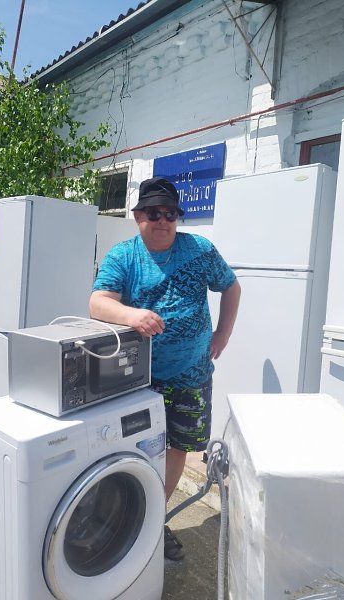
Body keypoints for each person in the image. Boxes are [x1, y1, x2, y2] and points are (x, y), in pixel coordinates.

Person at [89, 176, 241, 560]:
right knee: (133, 447)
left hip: (193, 374)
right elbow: (98, 303)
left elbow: (231, 286)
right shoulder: (124, 256)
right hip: (140, 378)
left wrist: (222, 334)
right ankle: (124, 516)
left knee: (178, 447)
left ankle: (154, 518)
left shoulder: (200, 249)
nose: (163, 221)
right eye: (154, 213)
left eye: (170, 214)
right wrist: (131, 315)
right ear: (138, 216)